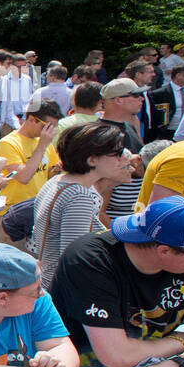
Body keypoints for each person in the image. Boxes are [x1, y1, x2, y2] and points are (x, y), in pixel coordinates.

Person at [40, 197, 184, 367]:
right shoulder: (91, 259)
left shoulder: (180, 258)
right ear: (165, 251)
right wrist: (183, 340)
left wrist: (181, 364)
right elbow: (117, 355)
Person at [31, 122, 131, 289]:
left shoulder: (59, 180)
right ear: (92, 159)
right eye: (117, 153)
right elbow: (74, 258)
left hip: (49, 281)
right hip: (64, 290)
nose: (123, 159)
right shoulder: (78, 196)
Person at [0, 96, 61, 208]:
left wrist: (57, 170)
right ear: (31, 119)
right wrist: (41, 146)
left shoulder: (45, 143)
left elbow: (47, 175)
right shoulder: (7, 143)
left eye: (53, 127)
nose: (49, 131)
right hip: (13, 209)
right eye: (47, 127)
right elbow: (23, 177)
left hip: (39, 206)